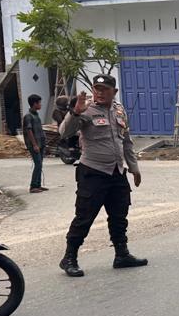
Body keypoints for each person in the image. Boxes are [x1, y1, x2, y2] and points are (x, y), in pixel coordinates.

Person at [57, 73, 145, 277]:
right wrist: (75, 113)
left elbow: (126, 141)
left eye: (105, 90)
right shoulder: (85, 110)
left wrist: (134, 167)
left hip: (117, 171)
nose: (100, 93)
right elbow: (64, 132)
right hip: (93, 172)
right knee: (84, 217)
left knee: (119, 215)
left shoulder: (119, 110)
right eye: (97, 89)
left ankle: (121, 254)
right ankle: (69, 257)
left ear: (114, 92)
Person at [23, 93, 47, 193]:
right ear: (34, 104)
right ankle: (33, 186)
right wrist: (34, 145)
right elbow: (29, 131)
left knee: (40, 164)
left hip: (40, 143)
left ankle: (38, 185)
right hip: (34, 144)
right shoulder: (28, 116)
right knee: (37, 164)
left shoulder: (36, 115)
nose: (40, 104)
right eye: (39, 103)